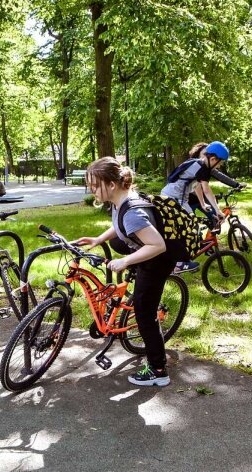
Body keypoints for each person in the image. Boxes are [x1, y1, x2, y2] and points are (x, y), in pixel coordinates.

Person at [76, 157, 179, 387]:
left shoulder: (132, 211)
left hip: (158, 260)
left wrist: (125, 262)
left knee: (144, 313)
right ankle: (136, 269)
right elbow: (120, 226)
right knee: (116, 244)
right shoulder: (120, 202)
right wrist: (98, 239)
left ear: (111, 185)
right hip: (145, 252)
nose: (92, 189)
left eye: (95, 184)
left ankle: (158, 369)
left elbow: (157, 245)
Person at [161, 141, 234, 273]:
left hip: (173, 196)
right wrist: (217, 211)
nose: (219, 166)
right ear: (213, 159)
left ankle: (179, 258)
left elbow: (196, 186)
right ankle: (180, 263)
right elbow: (206, 190)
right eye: (220, 163)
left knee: (188, 227)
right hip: (175, 199)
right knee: (191, 226)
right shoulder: (202, 168)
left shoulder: (196, 163)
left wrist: (203, 204)